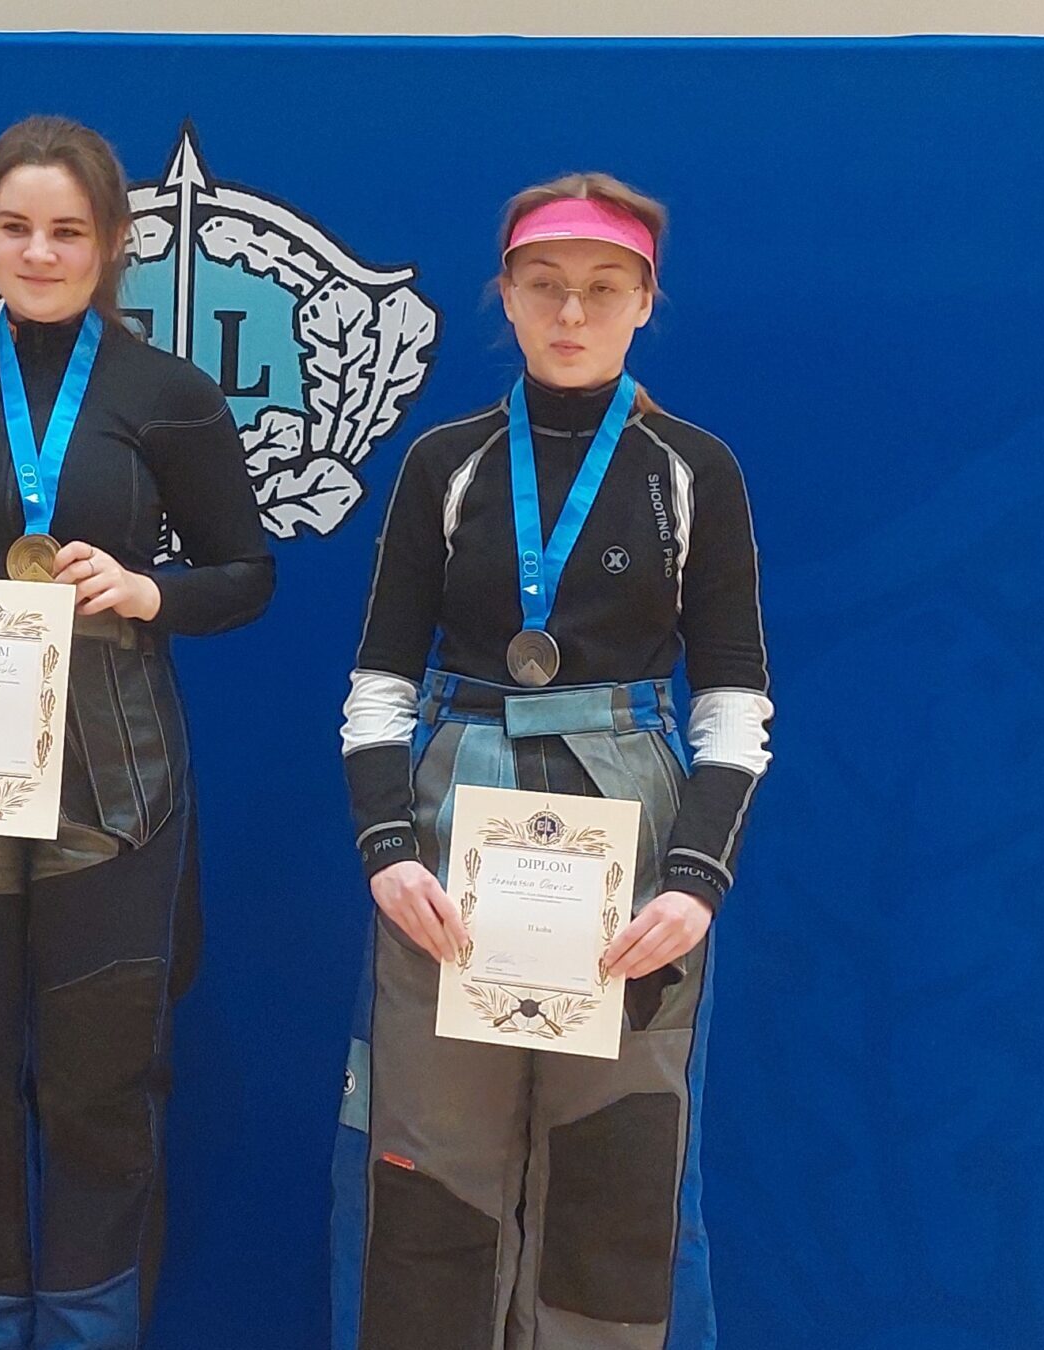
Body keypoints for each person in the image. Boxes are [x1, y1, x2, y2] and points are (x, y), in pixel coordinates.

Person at [0, 114, 275, 1349]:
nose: (39, 252)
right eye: (16, 228)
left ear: (114, 242)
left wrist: (147, 591)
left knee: (101, 1087)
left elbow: (246, 575)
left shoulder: (167, 395)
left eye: (67, 231)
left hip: (116, 782)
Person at [332, 174, 774, 1350]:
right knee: (431, 1171)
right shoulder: (446, 463)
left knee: (613, 1181)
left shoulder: (694, 470)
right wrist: (386, 851)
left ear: (644, 301)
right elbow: (378, 687)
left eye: (601, 288)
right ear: (507, 297)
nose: (571, 313)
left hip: (633, 840)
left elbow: (734, 703)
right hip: (450, 842)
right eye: (544, 287)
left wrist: (695, 881)